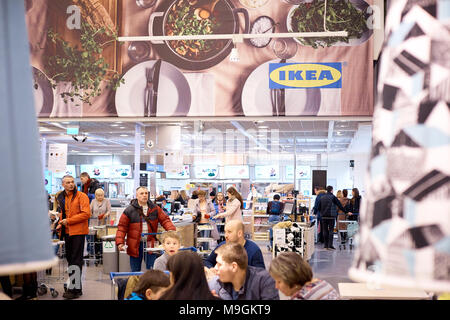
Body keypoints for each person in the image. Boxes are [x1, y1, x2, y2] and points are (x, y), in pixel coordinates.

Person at [116, 186, 176, 272]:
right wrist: (120, 242)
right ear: (136, 196)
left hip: (150, 243)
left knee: (152, 270)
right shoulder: (129, 210)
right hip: (134, 244)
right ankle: (136, 285)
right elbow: (122, 227)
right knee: (135, 271)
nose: (144, 195)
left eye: (146, 193)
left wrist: (171, 230)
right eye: (142, 193)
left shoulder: (155, 208)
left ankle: (152, 285)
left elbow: (165, 220)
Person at [55, 175, 91, 299]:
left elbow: (86, 214)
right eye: (68, 182)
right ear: (63, 184)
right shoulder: (61, 197)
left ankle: (74, 289)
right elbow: (63, 213)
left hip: (78, 233)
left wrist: (68, 221)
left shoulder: (82, 196)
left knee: (76, 260)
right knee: (71, 261)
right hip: (67, 232)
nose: (71, 184)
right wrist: (60, 223)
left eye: (72, 182)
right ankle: (76, 288)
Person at [208, 242, 279, 300]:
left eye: (219, 264)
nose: (215, 268)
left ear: (234, 267)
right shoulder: (215, 284)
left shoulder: (264, 281)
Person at [269, 252, 340, 300]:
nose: (276, 286)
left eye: (279, 282)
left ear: (291, 278)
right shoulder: (322, 284)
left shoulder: (301, 297)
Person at [317, 186, 349, 250]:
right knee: (331, 230)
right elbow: (339, 205)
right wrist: (346, 212)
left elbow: (318, 207)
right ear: (331, 190)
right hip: (331, 216)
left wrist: (322, 213)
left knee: (325, 230)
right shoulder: (333, 197)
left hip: (324, 216)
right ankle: (330, 245)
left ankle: (325, 246)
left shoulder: (322, 197)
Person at [88, 188, 111, 258]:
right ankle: (96, 256)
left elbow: (109, 210)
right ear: (95, 195)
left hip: (103, 223)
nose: (100, 197)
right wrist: (90, 214)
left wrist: (106, 214)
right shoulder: (93, 201)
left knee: (102, 240)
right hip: (94, 223)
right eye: (98, 195)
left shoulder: (107, 201)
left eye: (101, 195)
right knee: (95, 240)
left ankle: (103, 256)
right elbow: (89, 210)